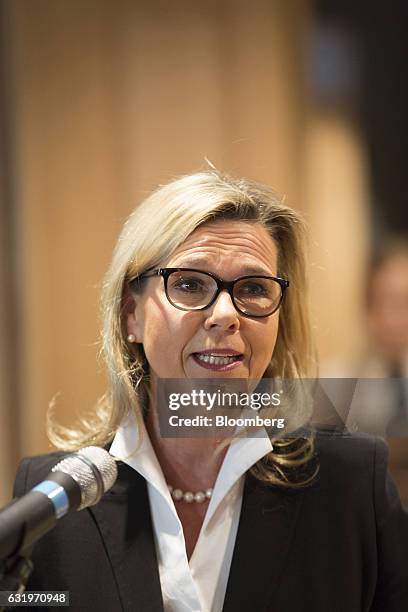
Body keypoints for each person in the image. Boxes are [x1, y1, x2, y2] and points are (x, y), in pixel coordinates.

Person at [12, 170, 408, 611]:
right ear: (131, 315)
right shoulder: (54, 502)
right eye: (189, 284)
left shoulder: (351, 484)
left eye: (254, 288)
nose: (225, 315)